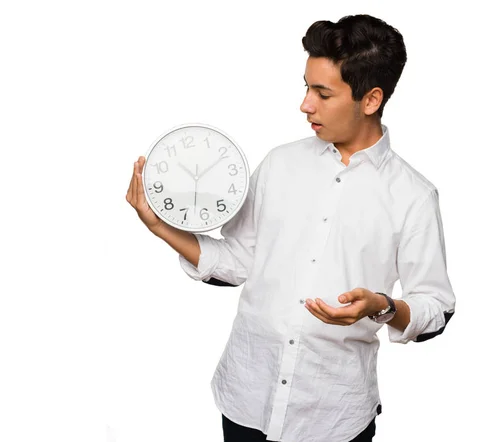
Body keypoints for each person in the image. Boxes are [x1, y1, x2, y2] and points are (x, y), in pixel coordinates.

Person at [126, 14, 456, 442]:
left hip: (333, 417)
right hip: (247, 395)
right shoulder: (279, 163)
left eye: (322, 93)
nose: (306, 105)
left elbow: (435, 307)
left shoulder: (413, 196)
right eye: (306, 87)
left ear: (371, 99)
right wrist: (159, 227)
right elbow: (239, 260)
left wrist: (380, 305)